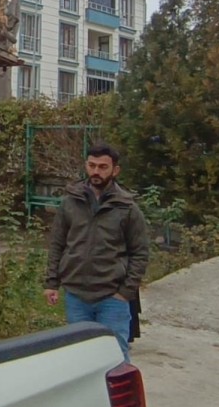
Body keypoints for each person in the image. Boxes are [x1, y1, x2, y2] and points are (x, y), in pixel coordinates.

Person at [42, 143, 148, 362]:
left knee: (115, 356)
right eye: (92, 165)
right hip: (76, 295)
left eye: (102, 167)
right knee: (82, 357)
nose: (96, 172)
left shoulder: (127, 208)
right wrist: (52, 283)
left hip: (112, 296)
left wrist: (125, 292)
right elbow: (57, 244)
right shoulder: (70, 203)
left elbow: (140, 253)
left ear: (115, 170)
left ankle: (118, 397)